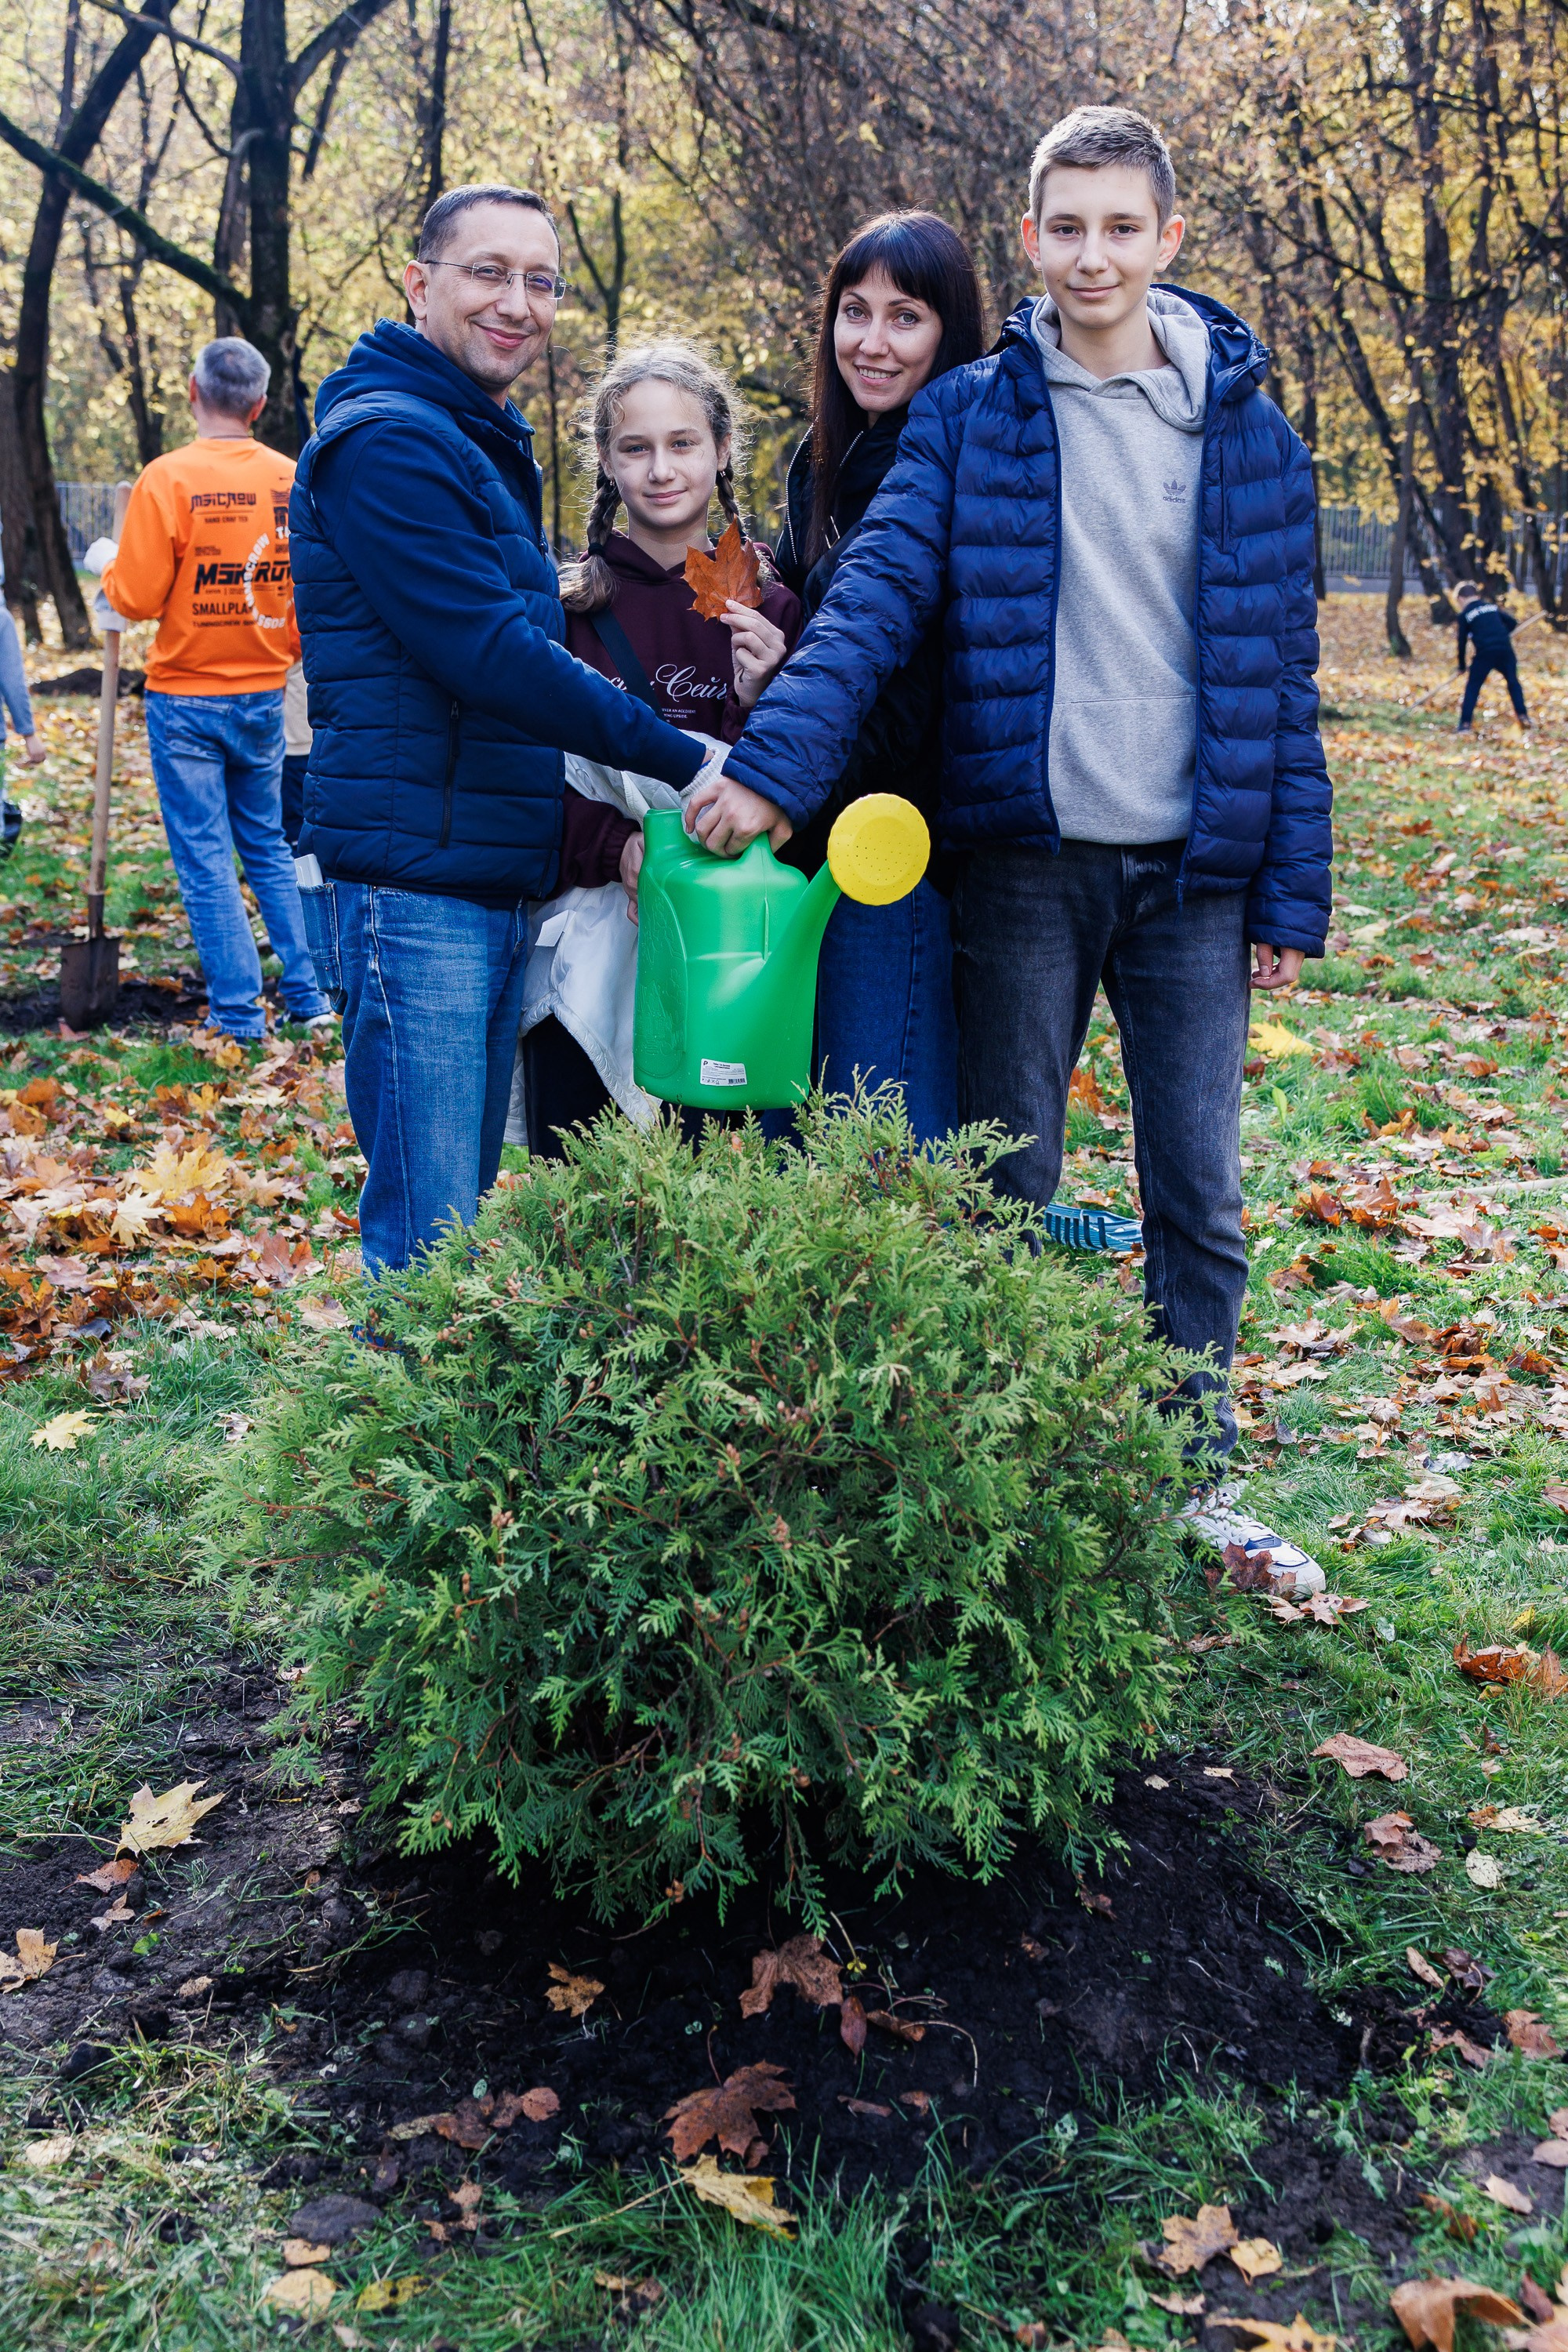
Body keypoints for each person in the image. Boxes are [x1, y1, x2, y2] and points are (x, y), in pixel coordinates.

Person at [691, 107, 1334, 1522]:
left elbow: (1277, 674)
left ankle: (1191, 1481)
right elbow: (866, 608)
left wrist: (1291, 889)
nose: (1091, 255)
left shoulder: (1256, 437)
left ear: (1169, 237)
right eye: (1065, 227)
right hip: (1026, 869)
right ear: (1028, 240)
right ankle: (1001, 1474)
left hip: (1196, 878)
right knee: (1004, 1181)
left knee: (1200, 1201)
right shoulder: (971, 418)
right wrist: (772, 766)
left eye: (1120, 227)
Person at [288, 185, 721, 1276]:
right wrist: (686, 760)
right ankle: (391, 1448)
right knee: (431, 1235)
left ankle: (434, 1443)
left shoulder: (465, 436)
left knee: (458, 1222)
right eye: (489, 271)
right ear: (419, 282)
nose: (517, 302)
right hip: (415, 888)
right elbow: (490, 656)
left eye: (541, 281)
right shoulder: (390, 445)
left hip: (477, 878)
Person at [517, 339, 800, 1156]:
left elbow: (798, 795)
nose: (661, 469)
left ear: (720, 450)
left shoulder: (773, 610)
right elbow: (534, 771)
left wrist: (759, 703)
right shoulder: (565, 607)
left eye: (682, 444)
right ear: (605, 462)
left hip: (726, 963)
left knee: (712, 1188)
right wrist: (616, 845)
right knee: (582, 1187)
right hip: (591, 949)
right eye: (635, 448)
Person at [773, 212, 983, 1145]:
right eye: (852, 312)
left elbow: (926, 681)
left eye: (905, 317)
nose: (870, 341)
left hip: (892, 851)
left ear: (950, 331)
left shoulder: (963, 460)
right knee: (785, 1116)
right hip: (792, 840)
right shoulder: (813, 462)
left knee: (877, 1136)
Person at [85, 339, 328, 1039]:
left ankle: (238, 1015)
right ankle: (310, 998)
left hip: (185, 699)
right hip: (262, 694)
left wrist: (108, 568)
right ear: (257, 404)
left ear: (193, 392)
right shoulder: (292, 477)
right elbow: (310, 594)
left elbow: (132, 597)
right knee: (267, 846)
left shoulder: (167, 479)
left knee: (204, 858)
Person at [1454, 579, 1529, 733]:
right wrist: (1500, 634)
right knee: (1513, 682)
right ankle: (1523, 716)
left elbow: (1461, 642)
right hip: (1504, 649)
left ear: (1461, 598)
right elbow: (1512, 623)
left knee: (1473, 686)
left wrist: (1461, 666)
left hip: (1485, 653)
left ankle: (1465, 724)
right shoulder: (1491, 607)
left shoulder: (1465, 615)